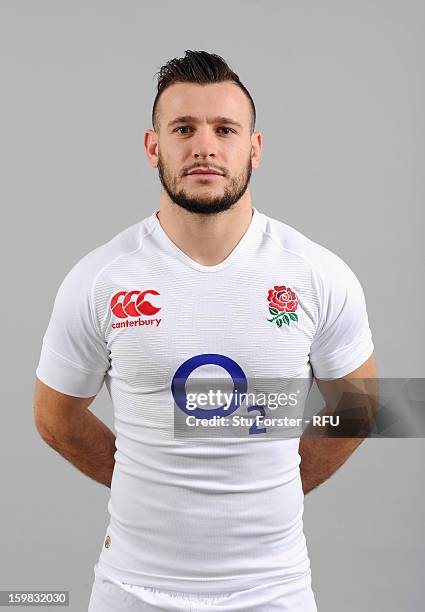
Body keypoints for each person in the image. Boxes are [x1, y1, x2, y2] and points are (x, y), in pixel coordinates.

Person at [33, 50, 377, 611]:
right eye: (184, 129)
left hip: (274, 590)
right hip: (132, 589)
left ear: (254, 148)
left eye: (225, 129)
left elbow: (360, 408)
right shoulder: (100, 278)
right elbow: (55, 417)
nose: (205, 147)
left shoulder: (316, 274)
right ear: (154, 147)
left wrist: (280, 484)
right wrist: (147, 491)